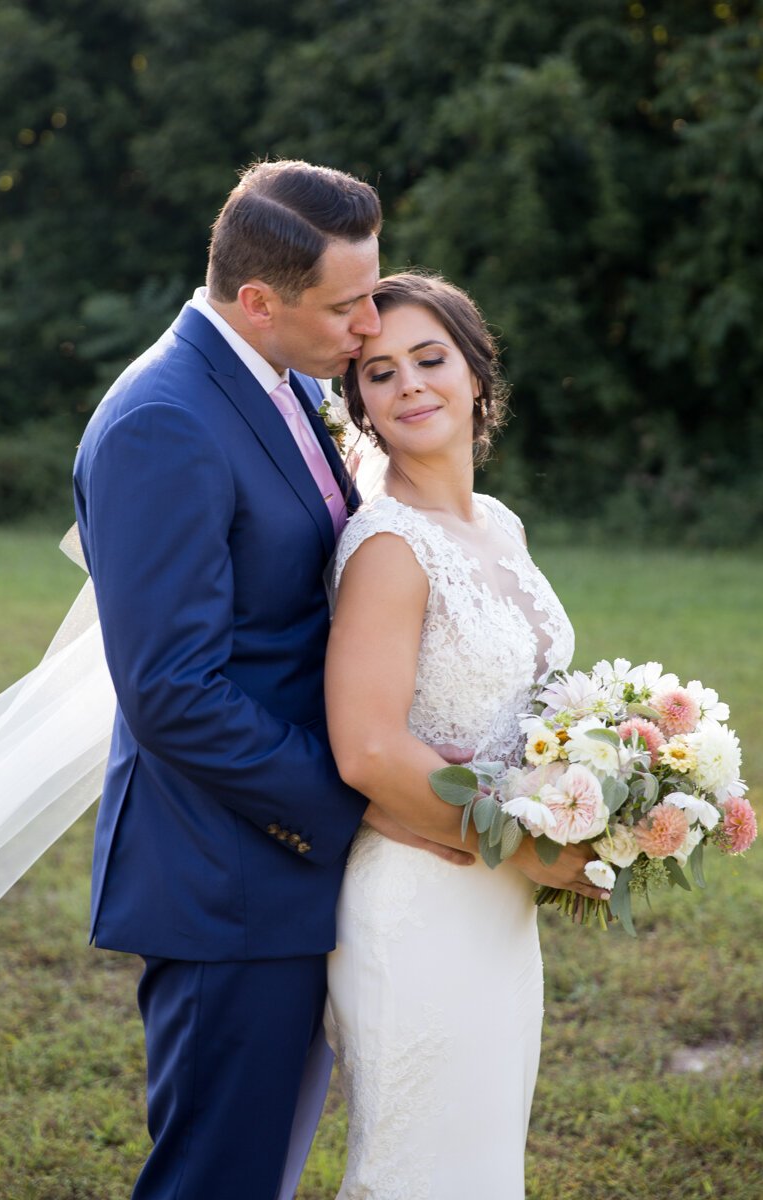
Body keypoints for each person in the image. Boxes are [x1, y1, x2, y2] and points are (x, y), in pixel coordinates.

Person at [71, 159, 404, 1200]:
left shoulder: (280, 381)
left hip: (271, 869)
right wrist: (350, 800)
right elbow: (171, 690)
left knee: (260, 1167)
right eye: (347, 306)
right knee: (217, 1178)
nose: (371, 326)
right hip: (224, 876)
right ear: (258, 301)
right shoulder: (162, 421)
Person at [318, 271, 607, 1198]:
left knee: (480, 1168)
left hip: (497, 908)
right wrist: (526, 844)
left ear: (477, 374)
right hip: (420, 900)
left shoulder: (499, 524)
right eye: (380, 373)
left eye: (429, 359)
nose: (408, 384)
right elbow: (366, 749)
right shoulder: (389, 547)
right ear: (361, 405)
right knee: (419, 1173)